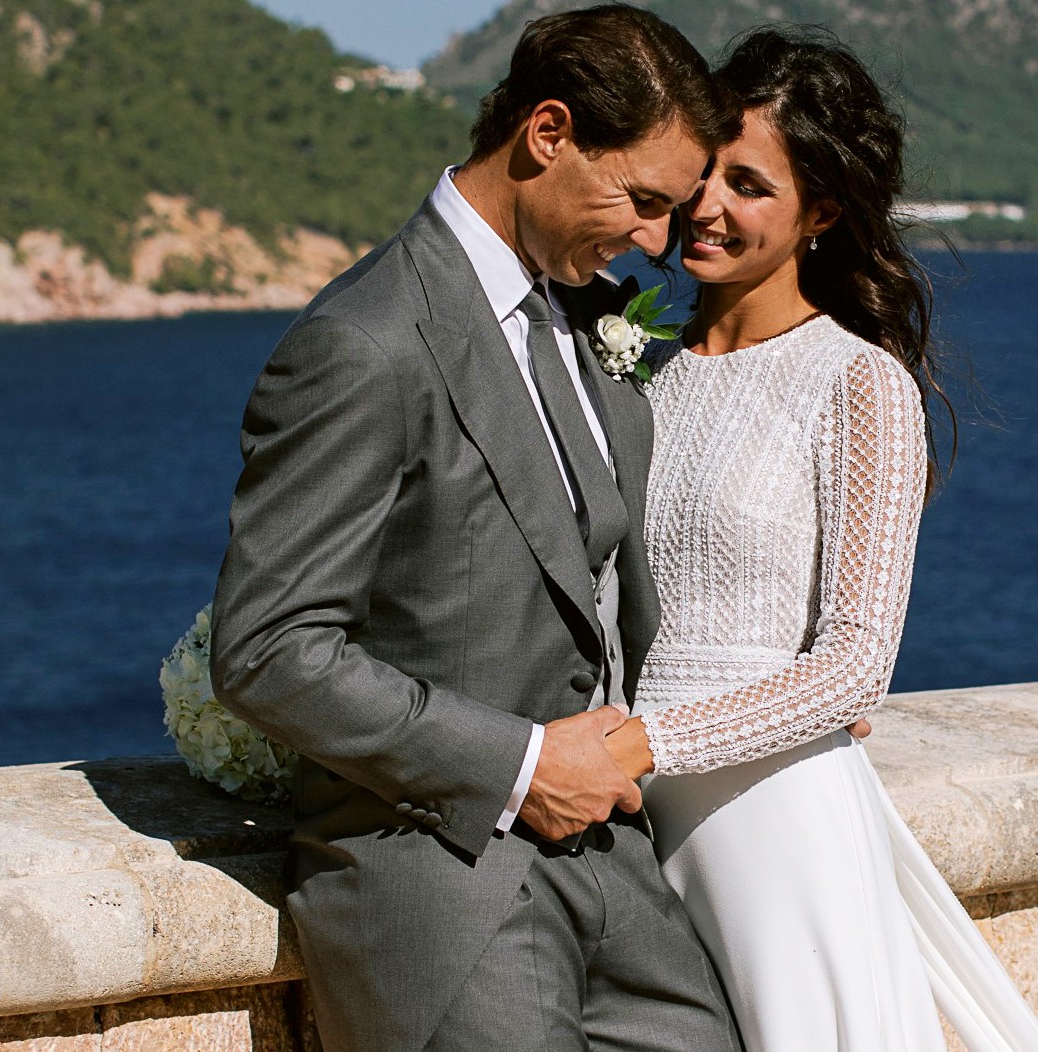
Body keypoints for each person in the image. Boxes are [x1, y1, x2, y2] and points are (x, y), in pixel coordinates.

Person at [208, 8, 743, 1052]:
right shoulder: (363, 342)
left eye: (668, 214)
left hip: (621, 879)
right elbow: (268, 650)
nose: (655, 244)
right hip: (439, 883)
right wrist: (521, 766)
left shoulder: (589, 317)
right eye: (640, 202)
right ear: (547, 132)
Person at [602, 29, 1038, 1052]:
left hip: (768, 818)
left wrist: (649, 741)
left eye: (751, 185)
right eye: (704, 170)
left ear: (824, 213)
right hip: (631, 815)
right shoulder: (635, 366)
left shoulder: (855, 384)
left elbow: (856, 669)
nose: (708, 206)